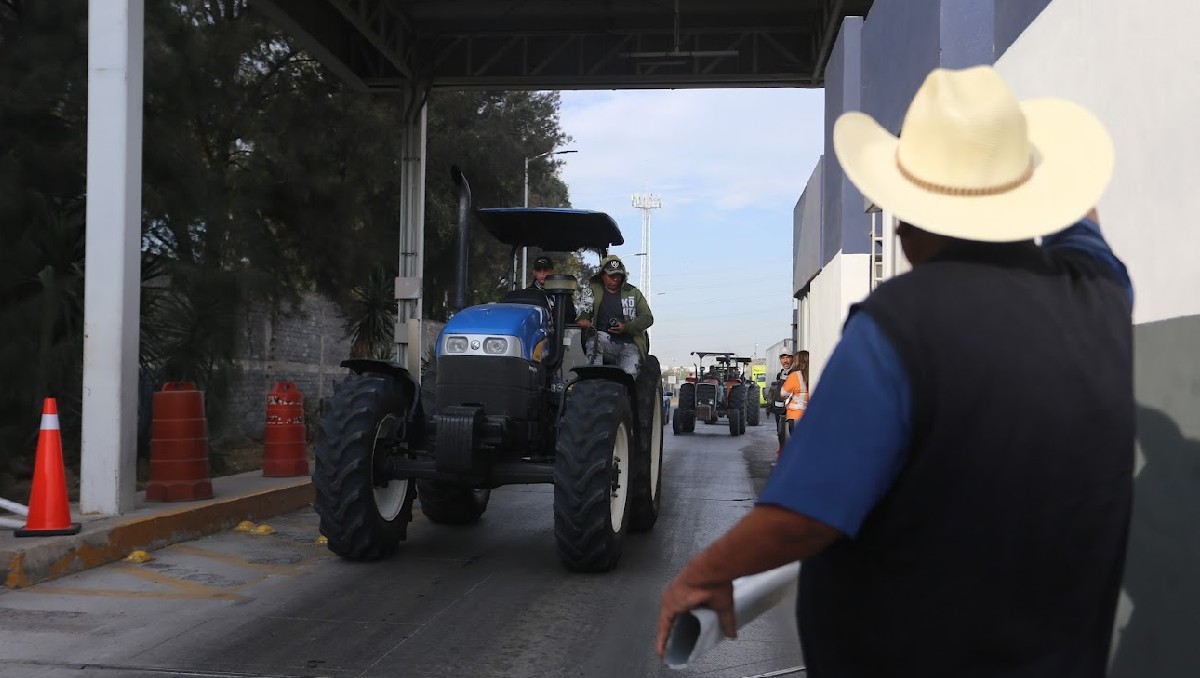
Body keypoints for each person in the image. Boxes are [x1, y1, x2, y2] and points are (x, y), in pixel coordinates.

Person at [656, 65, 1133, 678]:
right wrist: (1030, 172)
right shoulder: (1101, 297)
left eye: (903, 209)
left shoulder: (897, 327)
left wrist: (705, 573)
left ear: (917, 222)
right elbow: (1083, 225)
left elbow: (803, 516)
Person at [576, 255, 654, 377]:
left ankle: (626, 393)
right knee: (594, 341)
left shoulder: (634, 292)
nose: (616, 279)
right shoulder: (591, 291)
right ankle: (594, 379)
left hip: (630, 344)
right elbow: (584, 310)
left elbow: (647, 318)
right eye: (611, 275)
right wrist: (583, 320)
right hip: (603, 340)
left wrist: (626, 327)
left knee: (630, 376)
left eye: (618, 275)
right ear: (602, 275)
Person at [527, 254, 576, 323]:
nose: (542, 273)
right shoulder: (528, 294)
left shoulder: (563, 293)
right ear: (534, 273)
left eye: (545, 270)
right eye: (538, 270)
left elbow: (570, 317)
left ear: (552, 272)